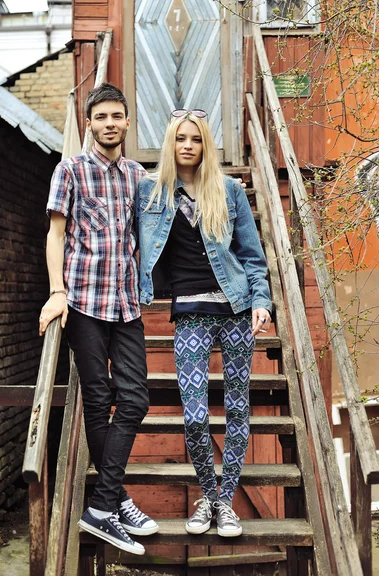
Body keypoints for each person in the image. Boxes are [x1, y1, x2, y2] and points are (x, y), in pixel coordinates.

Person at [136, 109, 272, 537]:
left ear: (205, 144)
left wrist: (261, 302)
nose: (188, 145)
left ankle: (223, 502)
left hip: (235, 309)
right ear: (171, 145)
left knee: (236, 407)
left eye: (195, 139)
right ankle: (208, 495)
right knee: (195, 415)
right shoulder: (151, 193)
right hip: (190, 314)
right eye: (181, 139)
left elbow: (252, 255)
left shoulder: (229, 191)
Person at [38, 83, 159, 556]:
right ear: (90, 123)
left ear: (128, 123)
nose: (110, 123)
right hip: (84, 303)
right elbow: (55, 235)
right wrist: (56, 292)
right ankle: (115, 501)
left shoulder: (136, 176)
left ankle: (102, 504)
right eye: (101, 116)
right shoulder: (68, 170)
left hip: (126, 303)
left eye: (118, 116)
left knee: (135, 398)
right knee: (98, 400)